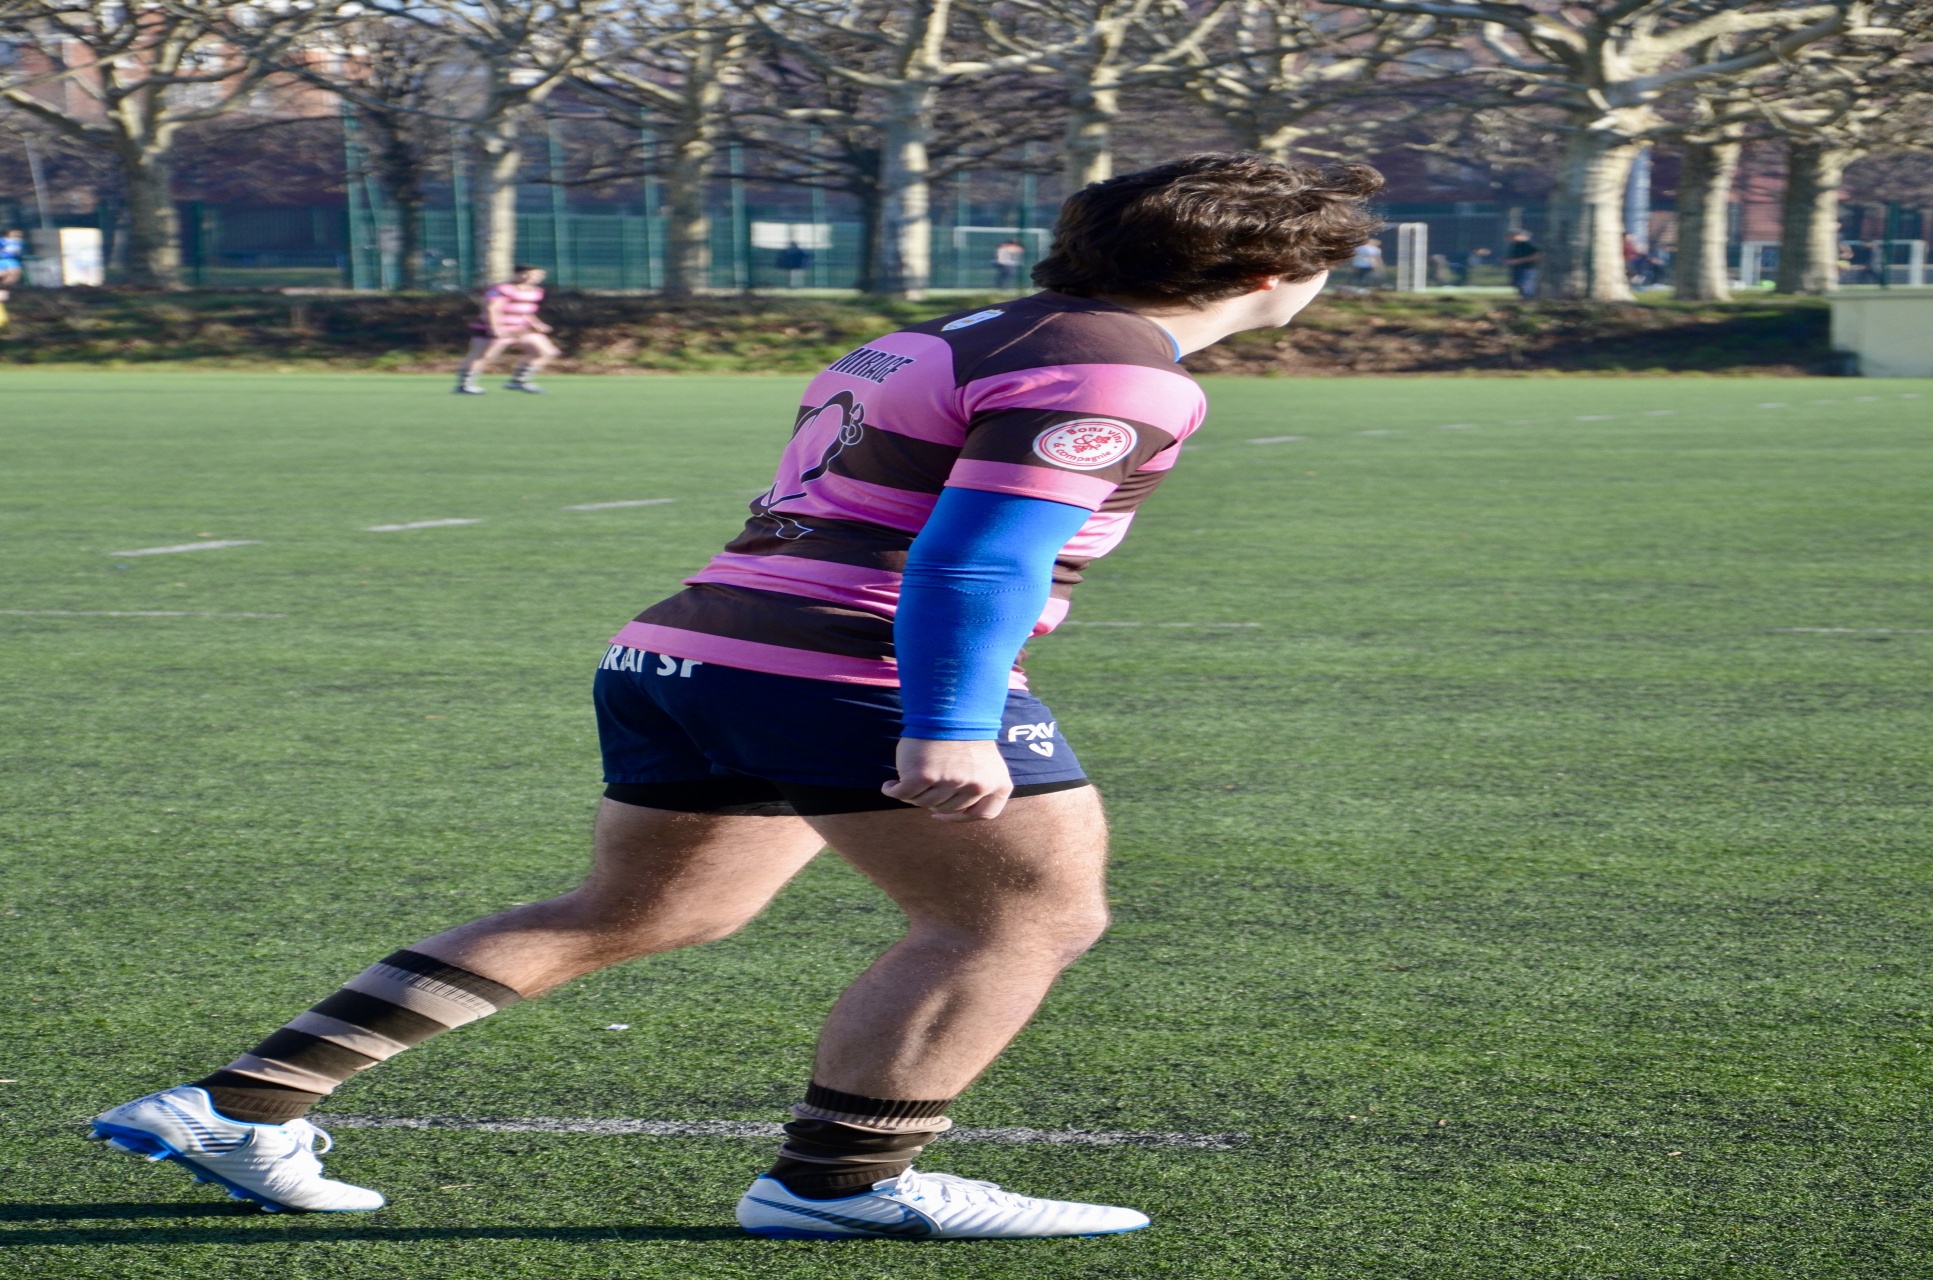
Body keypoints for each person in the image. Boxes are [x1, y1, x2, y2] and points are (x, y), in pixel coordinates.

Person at [88, 152, 1383, 1239]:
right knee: (1022, 916)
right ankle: (840, 1184)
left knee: (648, 908)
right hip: (846, 667)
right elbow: (979, 557)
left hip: (689, 651)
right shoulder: (1121, 374)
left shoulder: (954, 332)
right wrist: (949, 720)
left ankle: (238, 1105)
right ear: (1270, 272)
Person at [455, 264, 557, 395]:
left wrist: (536, 323)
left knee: (546, 352)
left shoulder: (536, 291)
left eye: (538, 275)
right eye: (528, 274)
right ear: (516, 275)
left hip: (520, 329)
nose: (533, 277)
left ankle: (519, 381)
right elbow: (492, 308)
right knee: (483, 356)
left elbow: (525, 311)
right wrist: (495, 328)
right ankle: (465, 385)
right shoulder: (503, 289)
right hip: (496, 328)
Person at [1505, 230, 1541, 299]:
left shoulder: (1529, 244)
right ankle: (1524, 297)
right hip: (1518, 268)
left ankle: (1529, 298)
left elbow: (1538, 256)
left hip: (1529, 268)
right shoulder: (1516, 245)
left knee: (1527, 285)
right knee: (1519, 284)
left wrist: (1519, 261)